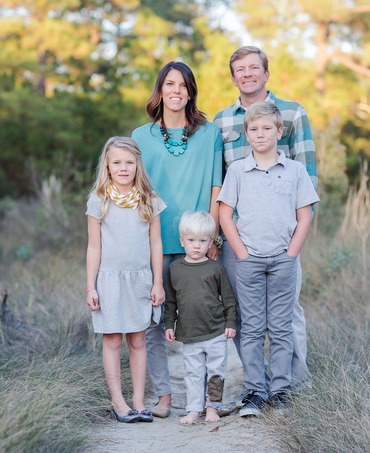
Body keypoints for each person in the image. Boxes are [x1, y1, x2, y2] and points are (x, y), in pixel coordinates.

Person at [213, 46, 317, 388]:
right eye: (240, 69)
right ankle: (259, 384)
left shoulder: (292, 113)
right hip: (239, 236)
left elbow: (308, 173)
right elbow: (219, 180)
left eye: (253, 68)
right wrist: (224, 239)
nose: (247, 74)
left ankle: (294, 383)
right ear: (233, 78)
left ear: (266, 73)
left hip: (282, 235)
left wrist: (294, 242)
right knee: (246, 315)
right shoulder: (222, 121)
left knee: (288, 313)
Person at [132, 61, 224, 418]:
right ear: (160, 90)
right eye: (169, 84)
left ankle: (204, 400)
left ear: (190, 92)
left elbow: (217, 184)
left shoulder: (209, 134)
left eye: (182, 85)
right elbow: (135, 187)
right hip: (153, 241)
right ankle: (164, 395)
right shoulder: (141, 136)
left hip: (197, 243)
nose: (175, 90)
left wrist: (212, 233)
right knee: (154, 323)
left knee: (201, 321)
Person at [85, 136, 166, 423]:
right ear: (107, 165)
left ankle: (139, 401)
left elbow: (156, 244)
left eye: (129, 162)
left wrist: (158, 282)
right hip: (109, 280)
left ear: (137, 165)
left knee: (138, 341)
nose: (123, 168)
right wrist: (90, 286)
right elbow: (94, 246)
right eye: (117, 162)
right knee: (112, 341)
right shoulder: (99, 200)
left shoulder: (149, 200)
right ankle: (118, 402)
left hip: (141, 279)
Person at [163, 211, 237, 425]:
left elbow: (229, 298)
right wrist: (169, 324)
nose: (196, 246)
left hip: (215, 332)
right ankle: (194, 409)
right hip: (190, 334)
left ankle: (213, 407)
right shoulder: (174, 269)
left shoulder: (216, 268)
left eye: (203, 241)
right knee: (193, 373)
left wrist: (230, 322)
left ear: (210, 242)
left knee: (216, 372)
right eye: (191, 240)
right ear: (182, 241)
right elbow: (171, 302)